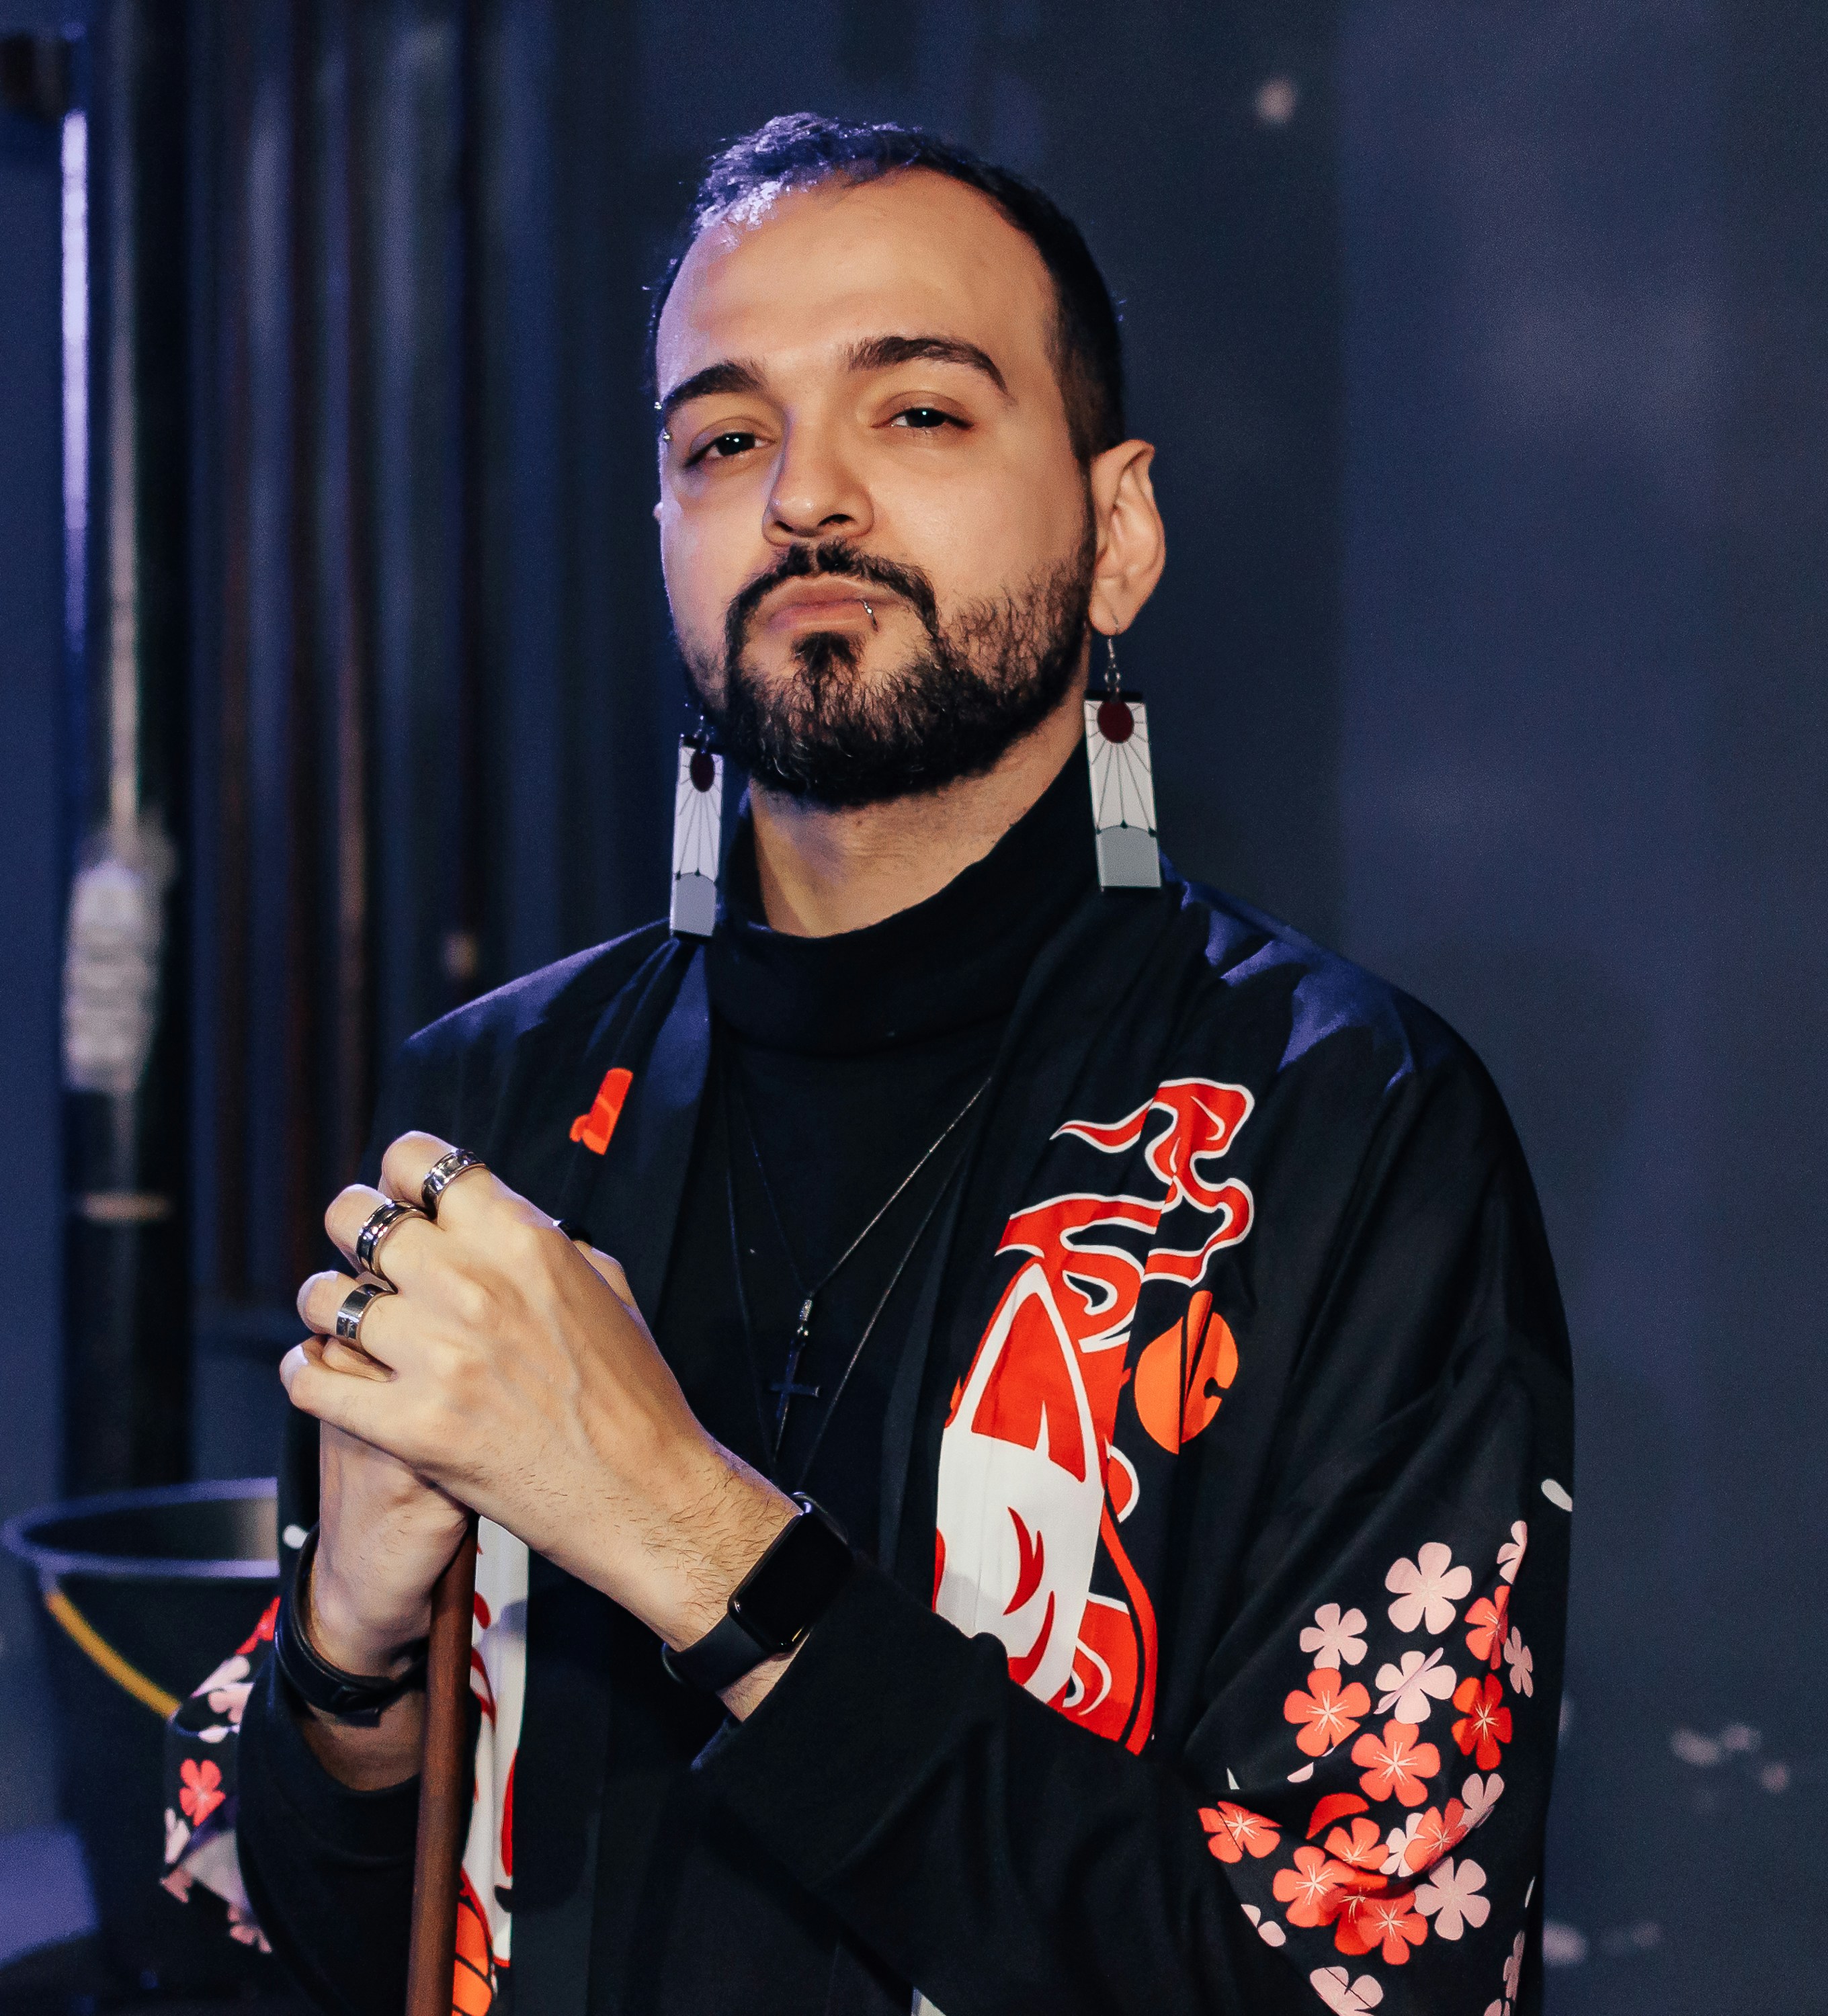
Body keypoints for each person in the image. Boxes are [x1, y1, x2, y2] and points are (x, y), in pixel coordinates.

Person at [165, 113, 1572, 2016]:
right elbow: (285, 1945)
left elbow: (1354, 1984)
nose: (804, 495)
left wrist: (683, 1530)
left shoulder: (1346, 1128)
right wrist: (348, 1647)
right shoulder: (496, 1109)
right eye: (722, 440)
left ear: (1119, 528)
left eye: (917, 413)